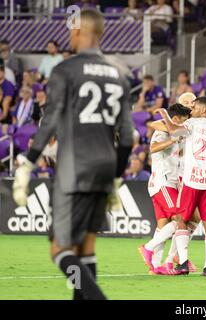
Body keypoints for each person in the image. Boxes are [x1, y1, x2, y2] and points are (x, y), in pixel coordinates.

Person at [12, 9, 134, 300]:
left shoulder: (65, 70)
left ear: (78, 32)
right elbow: (128, 136)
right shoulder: (119, 72)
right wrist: (116, 178)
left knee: (61, 250)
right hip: (105, 165)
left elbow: (50, 122)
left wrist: (28, 163)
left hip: (75, 167)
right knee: (86, 250)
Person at [156, 97, 206, 277]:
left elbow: (173, 130)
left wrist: (166, 116)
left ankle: (182, 263)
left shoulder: (193, 123)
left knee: (182, 219)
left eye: (196, 107)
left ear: (204, 111)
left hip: (191, 181)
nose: (192, 109)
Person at [139, 103, 191, 274]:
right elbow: (153, 148)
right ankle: (148, 247)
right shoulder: (162, 132)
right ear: (176, 119)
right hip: (163, 183)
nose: (185, 123)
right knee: (180, 219)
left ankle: (155, 265)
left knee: (163, 225)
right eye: (183, 120)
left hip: (166, 183)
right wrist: (172, 140)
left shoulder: (176, 131)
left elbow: (179, 135)